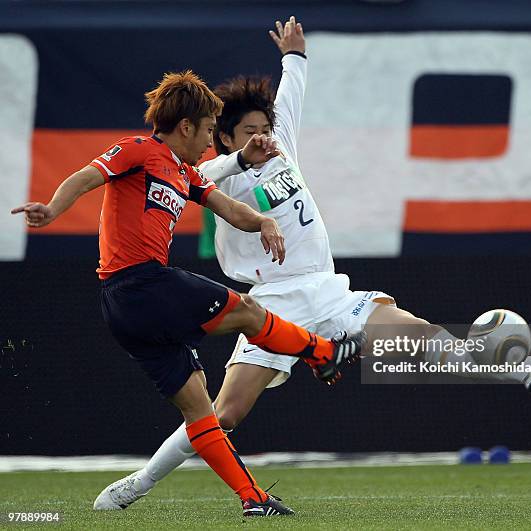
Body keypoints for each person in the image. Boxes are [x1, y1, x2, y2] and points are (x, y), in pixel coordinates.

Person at [94, 16, 531, 510]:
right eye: (250, 132)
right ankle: (140, 483)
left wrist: (294, 55)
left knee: (418, 334)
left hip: (328, 290)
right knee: (225, 413)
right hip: (272, 302)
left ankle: (526, 368)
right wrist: (241, 158)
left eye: (265, 129)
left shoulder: (279, 145)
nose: (263, 137)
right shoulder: (209, 172)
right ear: (223, 138)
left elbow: (292, 96)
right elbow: (207, 169)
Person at [11, 67, 367, 518]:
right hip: (141, 284)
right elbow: (84, 178)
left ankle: (253, 499)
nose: (209, 141)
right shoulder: (139, 150)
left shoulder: (186, 173)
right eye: (207, 131)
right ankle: (321, 353)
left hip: (125, 310)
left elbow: (230, 208)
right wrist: (51, 209)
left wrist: (263, 220)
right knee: (248, 311)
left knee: (200, 410)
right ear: (186, 126)